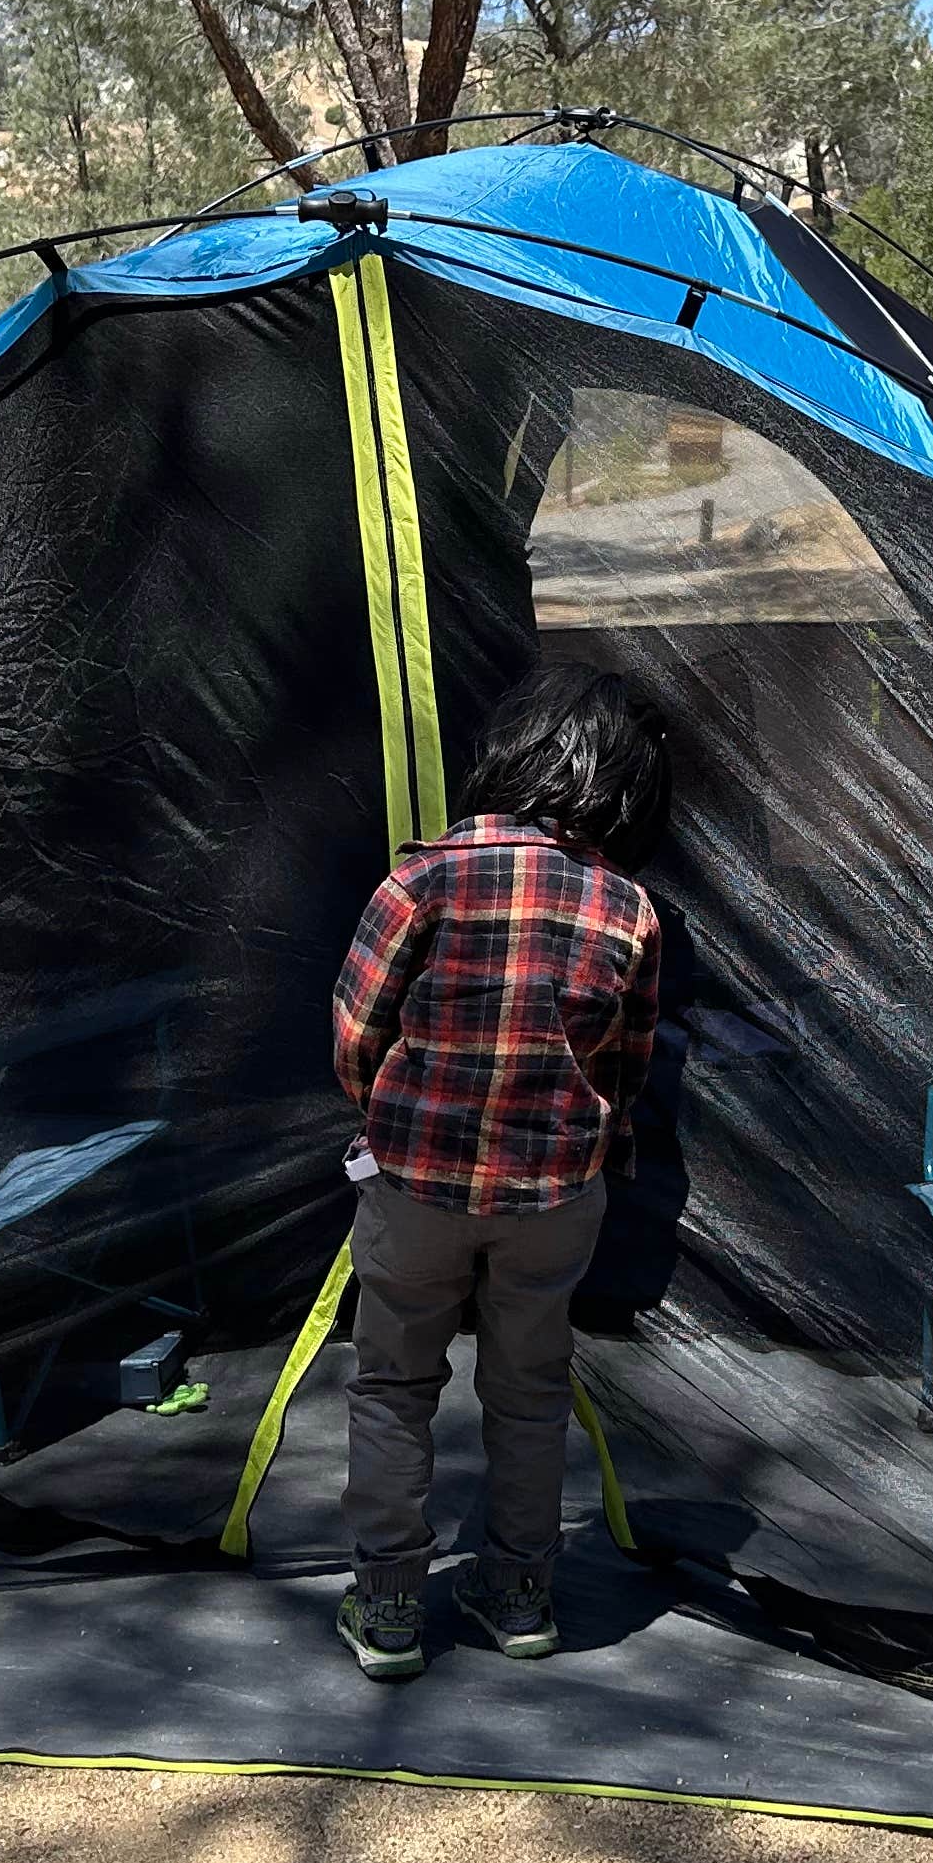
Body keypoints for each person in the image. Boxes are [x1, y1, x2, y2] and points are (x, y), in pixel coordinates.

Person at [326, 661, 674, 1678]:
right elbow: (626, 1067)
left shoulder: (422, 879)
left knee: (394, 1385)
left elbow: (356, 1032)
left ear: (518, 754)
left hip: (416, 1187)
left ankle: (389, 1608)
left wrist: (392, 1118)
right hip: (554, 1197)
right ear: (623, 787)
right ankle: (519, 1594)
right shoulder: (627, 909)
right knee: (530, 1391)